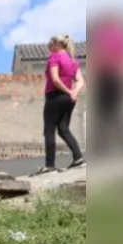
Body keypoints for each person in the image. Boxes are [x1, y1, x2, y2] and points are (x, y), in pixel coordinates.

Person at [38, 34, 86, 175]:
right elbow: (81, 80)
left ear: (56, 44)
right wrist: (73, 93)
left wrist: (68, 91)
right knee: (63, 128)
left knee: (49, 130)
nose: (48, 44)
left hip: (55, 97)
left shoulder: (55, 56)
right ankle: (78, 158)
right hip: (68, 99)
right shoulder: (72, 60)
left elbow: (55, 80)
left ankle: (50, 166)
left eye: (50, 42)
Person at [89, 12, 123, 157]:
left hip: (112, 78)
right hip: (108, 78)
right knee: (107, 113)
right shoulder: (107, 37)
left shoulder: (115, 37)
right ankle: (106, 146)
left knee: (111, 113)